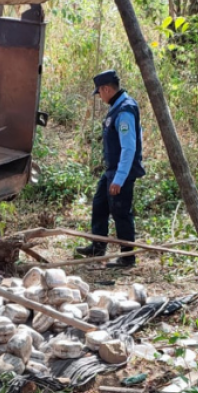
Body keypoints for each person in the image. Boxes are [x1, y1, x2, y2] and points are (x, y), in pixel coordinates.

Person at [76, 69, 145, 268]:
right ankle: (98, 247)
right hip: (112, 170)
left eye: (99, 92)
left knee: (121, 212)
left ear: (106, 89)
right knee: (100, 205)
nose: (100, 96)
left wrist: (120, 178)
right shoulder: (118, 106)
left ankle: (127, 257)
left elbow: (129, 146)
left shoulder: (124, 110)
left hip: (121, 171)